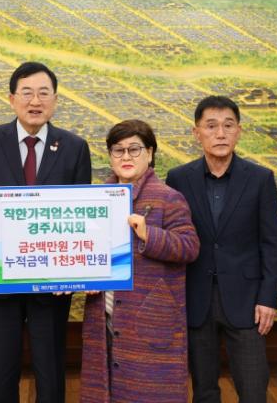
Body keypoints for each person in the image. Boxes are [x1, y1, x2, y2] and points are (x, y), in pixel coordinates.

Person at [0, 61, 91, 402]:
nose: (35, 101)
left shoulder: (74, 146)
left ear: (55, 100)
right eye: (27, 93)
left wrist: (75, 273)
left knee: (50, 366)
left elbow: (81, 212)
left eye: (44, 93)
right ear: (12, 99)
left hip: (52, 279)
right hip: (0, 273)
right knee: (3, 365)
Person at [166, 96, 277, 403]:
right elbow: (173, 240)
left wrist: (268, 298)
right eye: (211, 126)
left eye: (228, 126)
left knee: (254, 389)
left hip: (247, 300)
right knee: (204, 390)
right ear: (196, 133)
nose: (220, 133)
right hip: (195, 297)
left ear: (238, 131)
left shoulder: (260, 179)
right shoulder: (178, 178)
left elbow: (271, 243)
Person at [80, 119, 200, 402]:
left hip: (149, 318)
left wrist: (149, 235)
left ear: (150, 153)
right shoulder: (94, 199)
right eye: (118, 150)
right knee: (105, 390)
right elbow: (84, 250)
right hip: (103, 314)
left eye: (134, 149)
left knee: (148, 392)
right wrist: (80, 278)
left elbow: (190, 247)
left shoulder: (169, 198)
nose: (126, 157)